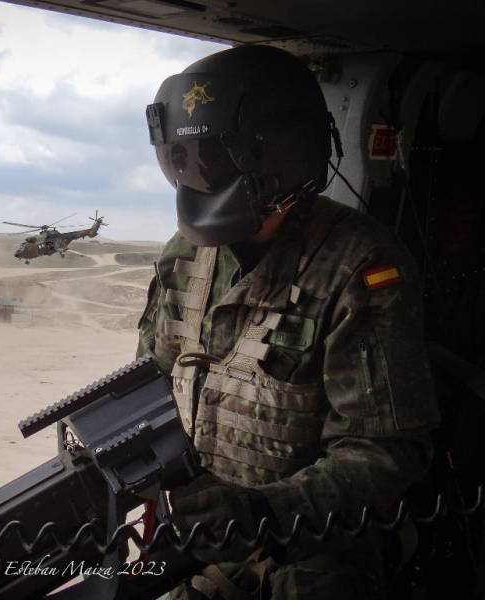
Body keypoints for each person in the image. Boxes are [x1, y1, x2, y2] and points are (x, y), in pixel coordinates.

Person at [137, 45, 440, 599]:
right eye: (192, 158)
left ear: (285, 157)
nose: (203, 175)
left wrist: (263, 511)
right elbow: (147, 387)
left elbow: (387, 449)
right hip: (203, 540)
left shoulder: (361, 265)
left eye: (222, 158)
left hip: (316, 545)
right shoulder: (182, 255)